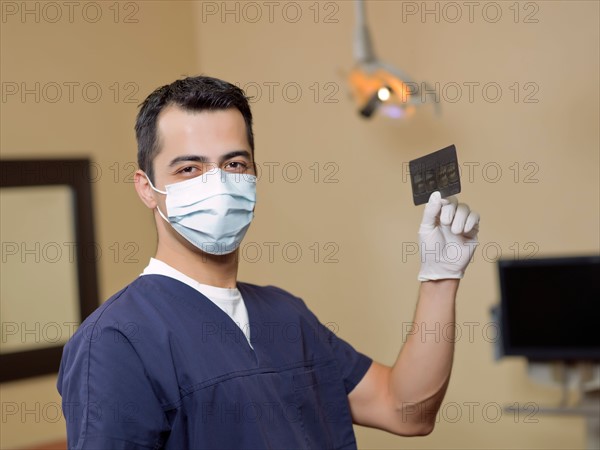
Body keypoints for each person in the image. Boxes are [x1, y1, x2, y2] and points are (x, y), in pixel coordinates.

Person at [57, 75, 480, 449]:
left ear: (254, 176)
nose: (218, 183)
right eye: (189, 168)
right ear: (147, 188)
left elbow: (406, 411)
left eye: (234, 164)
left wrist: (440, 278)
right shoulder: (117, 340)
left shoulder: (285, 315)